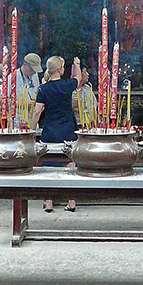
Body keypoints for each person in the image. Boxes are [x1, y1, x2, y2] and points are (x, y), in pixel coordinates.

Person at [31, 56, 89, 212]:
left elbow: (37, 111)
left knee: (48, 164)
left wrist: (31, 130)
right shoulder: (66, 85)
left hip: (50, 129)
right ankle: (71, 201)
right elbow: (77, 79)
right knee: (69, 163)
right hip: (67, 129)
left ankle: (48, 201)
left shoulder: (44, 89)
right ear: (60, 69)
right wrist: (76, 64)